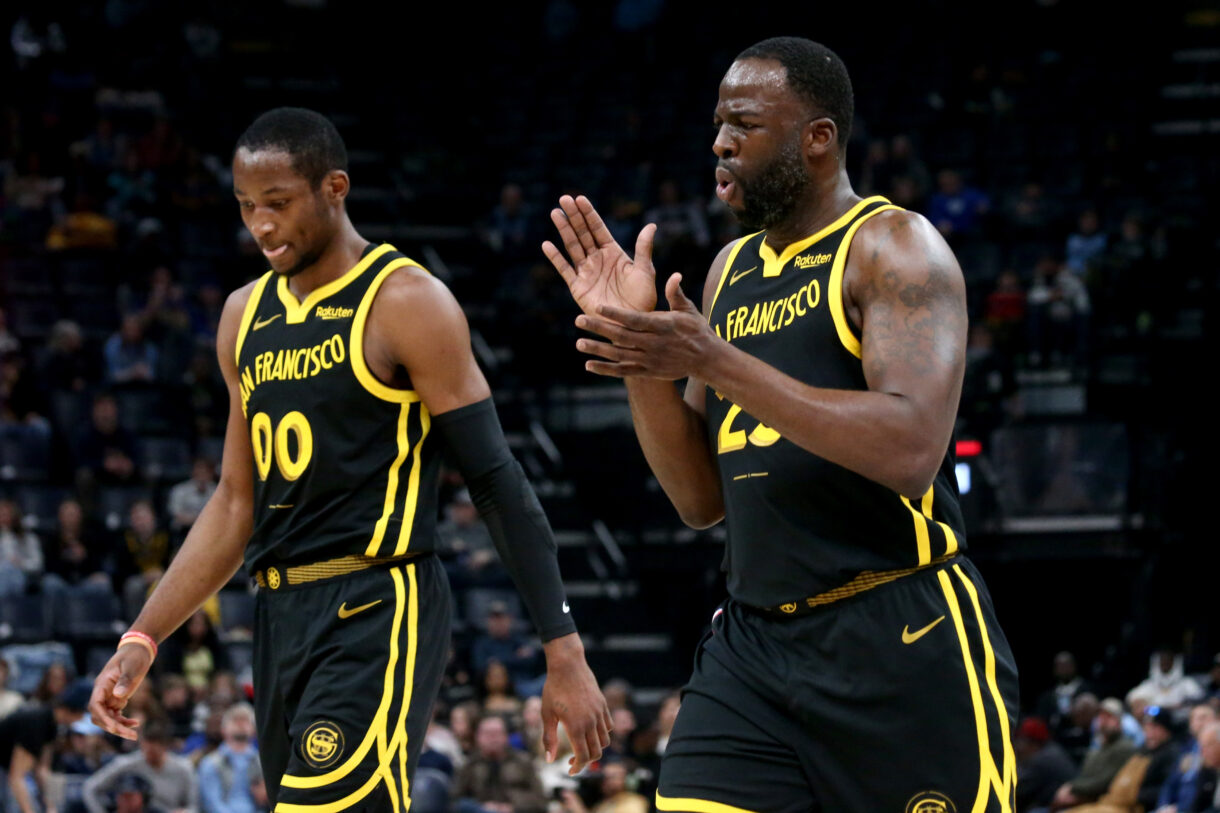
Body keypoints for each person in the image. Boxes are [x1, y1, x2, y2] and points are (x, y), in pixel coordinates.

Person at [543, 36, 1018, 811]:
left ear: (817, 137)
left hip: (898, 637)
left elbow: (910, 448)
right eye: (718, 123)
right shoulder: (732, 271)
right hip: (754, 649)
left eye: (744, 124)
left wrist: (717, 360)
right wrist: (638, 351)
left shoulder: (893, 247)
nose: (719, 142)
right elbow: (700, 498)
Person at [89, 107, 610, 811]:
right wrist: (144, 635)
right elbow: (236, 502)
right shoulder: (244, 316)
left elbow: (495, 479)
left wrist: (563, 647)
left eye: (278, 203)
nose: (261, 226)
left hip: (376, 605)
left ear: (334, 188)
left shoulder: (407, 301)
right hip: (279, 615)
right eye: (247, 207)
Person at [0, 680, 90, 813]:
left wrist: (51, 806)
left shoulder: (52, 725)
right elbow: (16, 776)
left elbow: (42, 769)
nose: (82, 719)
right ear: (74, 710)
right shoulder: (36, 722)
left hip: (8, 770)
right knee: (14, 801)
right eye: (82, 713)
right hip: (4, 770)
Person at [81, 717, 198, 813]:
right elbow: (90, 787)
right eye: (147, 744)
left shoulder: (183, 768)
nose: (151, 749)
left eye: (156, 744)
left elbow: (194, 806)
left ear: (166, 745)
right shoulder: (127, 764)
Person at [197, 703, 265, 813]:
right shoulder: (210, 763)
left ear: (254, 729)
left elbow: (268, 801)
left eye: (245, 721)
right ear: (223, 729)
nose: (240, 724)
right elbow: (212, 803)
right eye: (235, 720)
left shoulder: (263, 763)